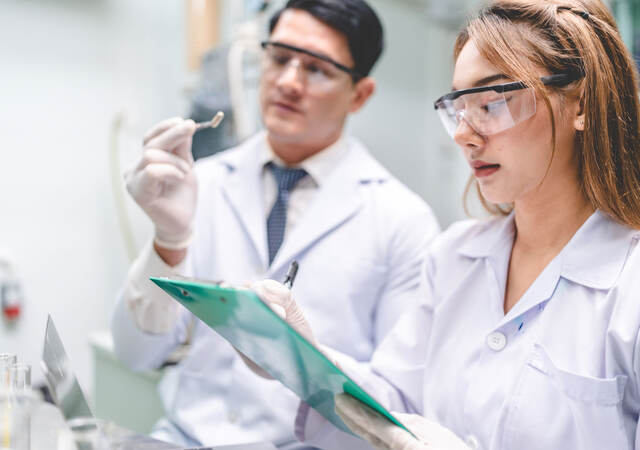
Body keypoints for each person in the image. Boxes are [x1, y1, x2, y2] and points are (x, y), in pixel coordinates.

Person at [253, 0, 640, 448]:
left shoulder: (629, 284)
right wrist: (302, 359)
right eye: (458, 105)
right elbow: (394, 402)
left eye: (493, 102)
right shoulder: (455, 257)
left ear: (583, 104)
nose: (463, 132)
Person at [110, 0, 440, 447]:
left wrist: (302, 362)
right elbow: (134, 354)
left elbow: (400, 404)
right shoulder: (204, 182)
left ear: (360, 94)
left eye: (317, 69)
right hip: (185, 439)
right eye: (280, 58)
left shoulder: (402, 221)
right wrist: (168, 241)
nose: (288, 82)